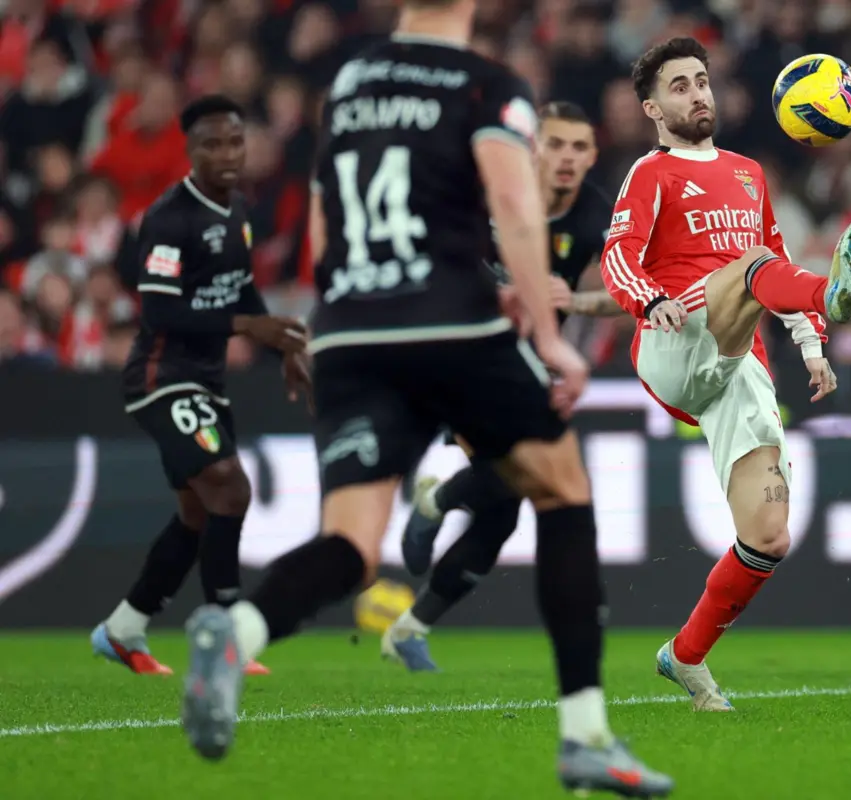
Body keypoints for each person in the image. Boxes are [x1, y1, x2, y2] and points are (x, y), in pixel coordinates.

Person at [177, 2, 673, 795]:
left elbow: (321, 216)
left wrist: (321, 329)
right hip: (448, 319)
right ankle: (584, 733)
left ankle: (237, 631)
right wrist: (548, 340)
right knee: (563, 491)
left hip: (346, 324)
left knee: (349, 546)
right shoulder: (487, 84)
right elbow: (513, 207)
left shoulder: (346, 81)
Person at [601, 38, 851, 711]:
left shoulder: (749, 173)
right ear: (653, 108)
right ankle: (832, 294)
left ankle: (687, 657)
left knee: (769, 535)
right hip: (672, 341)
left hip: (734, 361)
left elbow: (774, 263)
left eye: (702, 81)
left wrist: (811, 349)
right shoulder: (651, 172)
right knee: (751, 267)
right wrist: (651, 300)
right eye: (680, 86)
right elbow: (617, 256)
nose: (698, 94)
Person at [387, 100, 621, 673]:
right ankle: (437, 500)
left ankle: (409, 626)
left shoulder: (597, 216)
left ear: (592, 156)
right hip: (455, 353)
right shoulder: (490, 191)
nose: (566, 159)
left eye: (578, 148)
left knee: (502, 511)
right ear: (534, 147)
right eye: (555, 144)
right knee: (516, 476)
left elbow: (638, 292)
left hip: (527, 368)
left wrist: (580, 299)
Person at [90, 95, 310, 677]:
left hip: (205, 382)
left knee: (197, 513)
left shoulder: (237, 210)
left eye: (235, 141)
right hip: (161, 377)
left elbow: (241, 290)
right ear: (190, 151)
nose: (227, 153)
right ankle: (226, 633)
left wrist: (281, 342)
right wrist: (246, 325)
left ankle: (123, 629)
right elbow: (160, 313)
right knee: (230, 488)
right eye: (212, 144)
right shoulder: (167, 218)